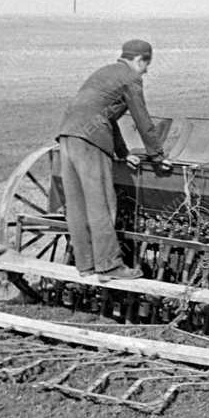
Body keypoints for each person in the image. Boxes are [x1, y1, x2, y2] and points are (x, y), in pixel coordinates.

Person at [57, 39, 166, 282]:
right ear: (139, 60)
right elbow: (142, 119)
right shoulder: (130, 77)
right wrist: (157, 156)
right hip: (90, 141)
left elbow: (105, 116)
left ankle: (85, 264)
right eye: (146, 65)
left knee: (77, 204)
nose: (146, 71)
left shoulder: (105, 73)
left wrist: (124, 153)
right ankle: (108, 266)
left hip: (67, 135)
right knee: (102, 203)